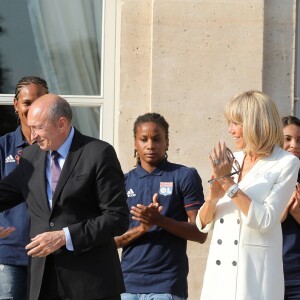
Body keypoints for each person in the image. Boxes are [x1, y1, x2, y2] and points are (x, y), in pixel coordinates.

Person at [0, 93, 129, 300]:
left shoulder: (98, 153)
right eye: (30, 127)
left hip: (91, 284)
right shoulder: (30, 158)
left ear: (61, 123)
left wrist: (64, 237)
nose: (32, 136)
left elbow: (117, 218)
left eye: (38, 128)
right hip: (42, 284)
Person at [197, 90, 300, 300]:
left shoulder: (286, 163)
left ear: (255, 123)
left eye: (236, 123)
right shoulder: (232, 159)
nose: (230, 130)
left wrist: (228, 183)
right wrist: (213, 197)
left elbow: (266, 220)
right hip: (219, 277)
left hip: (254, 278)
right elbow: (202, 224)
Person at [115, 112, 207, 300]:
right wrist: (143, 228)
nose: (150, 145)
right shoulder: (122, 182)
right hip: (127, 285)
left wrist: (160, 220)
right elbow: (112, 241)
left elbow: (200, 233)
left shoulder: (184, 175)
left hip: (167, 285)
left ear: (167, 142)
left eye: (157, 139)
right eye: (144, 139)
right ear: (135, 143)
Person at [0, 76, 48, 300]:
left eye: (40, 101)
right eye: (28, 102)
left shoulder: (60, 149)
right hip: (10, 256)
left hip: (52, 255)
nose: (34, 108)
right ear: (16, 105)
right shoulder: (2, 147)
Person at [281, 115, 300, 300]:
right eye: (287, 139)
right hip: (267, 274)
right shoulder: (266, 177)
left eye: (299, 140)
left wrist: (296, 212)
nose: (294, 145)